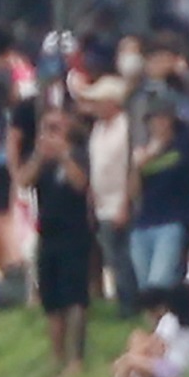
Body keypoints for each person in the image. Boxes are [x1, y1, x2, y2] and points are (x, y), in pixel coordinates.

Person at [18, 106, 93, 377]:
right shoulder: (41, 160)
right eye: (46, 127)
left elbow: (80, 184)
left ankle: (76, 360)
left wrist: (62, 156)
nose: (50, 134)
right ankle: (56, 356)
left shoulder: (78, 155)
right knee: (51, 300)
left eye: (55, 128)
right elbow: (23, 182)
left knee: (74, 299)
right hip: (47, 235)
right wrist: (39, 155)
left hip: (74, 234)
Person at [80, 74, 138, 318]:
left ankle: (132, 303)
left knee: (125, 255)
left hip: (121, 200)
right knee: (113, 256)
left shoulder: (126, 127)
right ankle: (123, 301)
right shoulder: (98, 129)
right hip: (103, 201)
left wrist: (126, 202)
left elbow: (130, 166)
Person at [130, 104, 189, 291]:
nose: (158, 124)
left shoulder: (186, 143)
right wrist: (139, 166)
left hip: (173, 220)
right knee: (145, 288)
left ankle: (168, 319)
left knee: (161, 281)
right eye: (153, 120)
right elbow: (133, 193)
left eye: (162, 119)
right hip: (144, 222)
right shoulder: (144, 148)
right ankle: (155, 320)